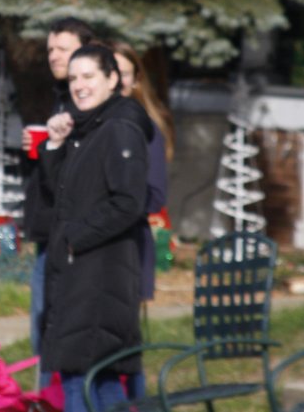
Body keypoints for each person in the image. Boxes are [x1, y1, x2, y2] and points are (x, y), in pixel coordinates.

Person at [38, 44, 152, 412]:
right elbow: (65, 194)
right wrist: (55, 144)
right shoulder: (88, 127)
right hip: (82, 275)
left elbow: (129, 201)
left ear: (113, 79)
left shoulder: (119, 128)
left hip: (99, 276)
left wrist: (76, 237)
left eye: (89, 76)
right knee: (98, 380)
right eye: (73, 78)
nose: (79, 86)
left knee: (78, 380)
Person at [20, 17, 93, 386]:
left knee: (52, 331)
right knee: (40, 328)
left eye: (62, 48)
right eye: (50, 49)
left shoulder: (84, 108)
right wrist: (35, 151)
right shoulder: (60, 98)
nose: (53, 56)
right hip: (48, 233)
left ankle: (50, 399)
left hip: (66, 237)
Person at [111, 41, 174, 400]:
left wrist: (114, 206)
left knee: (126, 346)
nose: (117, 79)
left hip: (130, 249)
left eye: (124, 72)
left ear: (136, 79)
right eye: (111, 71)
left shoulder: (146, 126)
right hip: (97, 252)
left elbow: (155, 195)